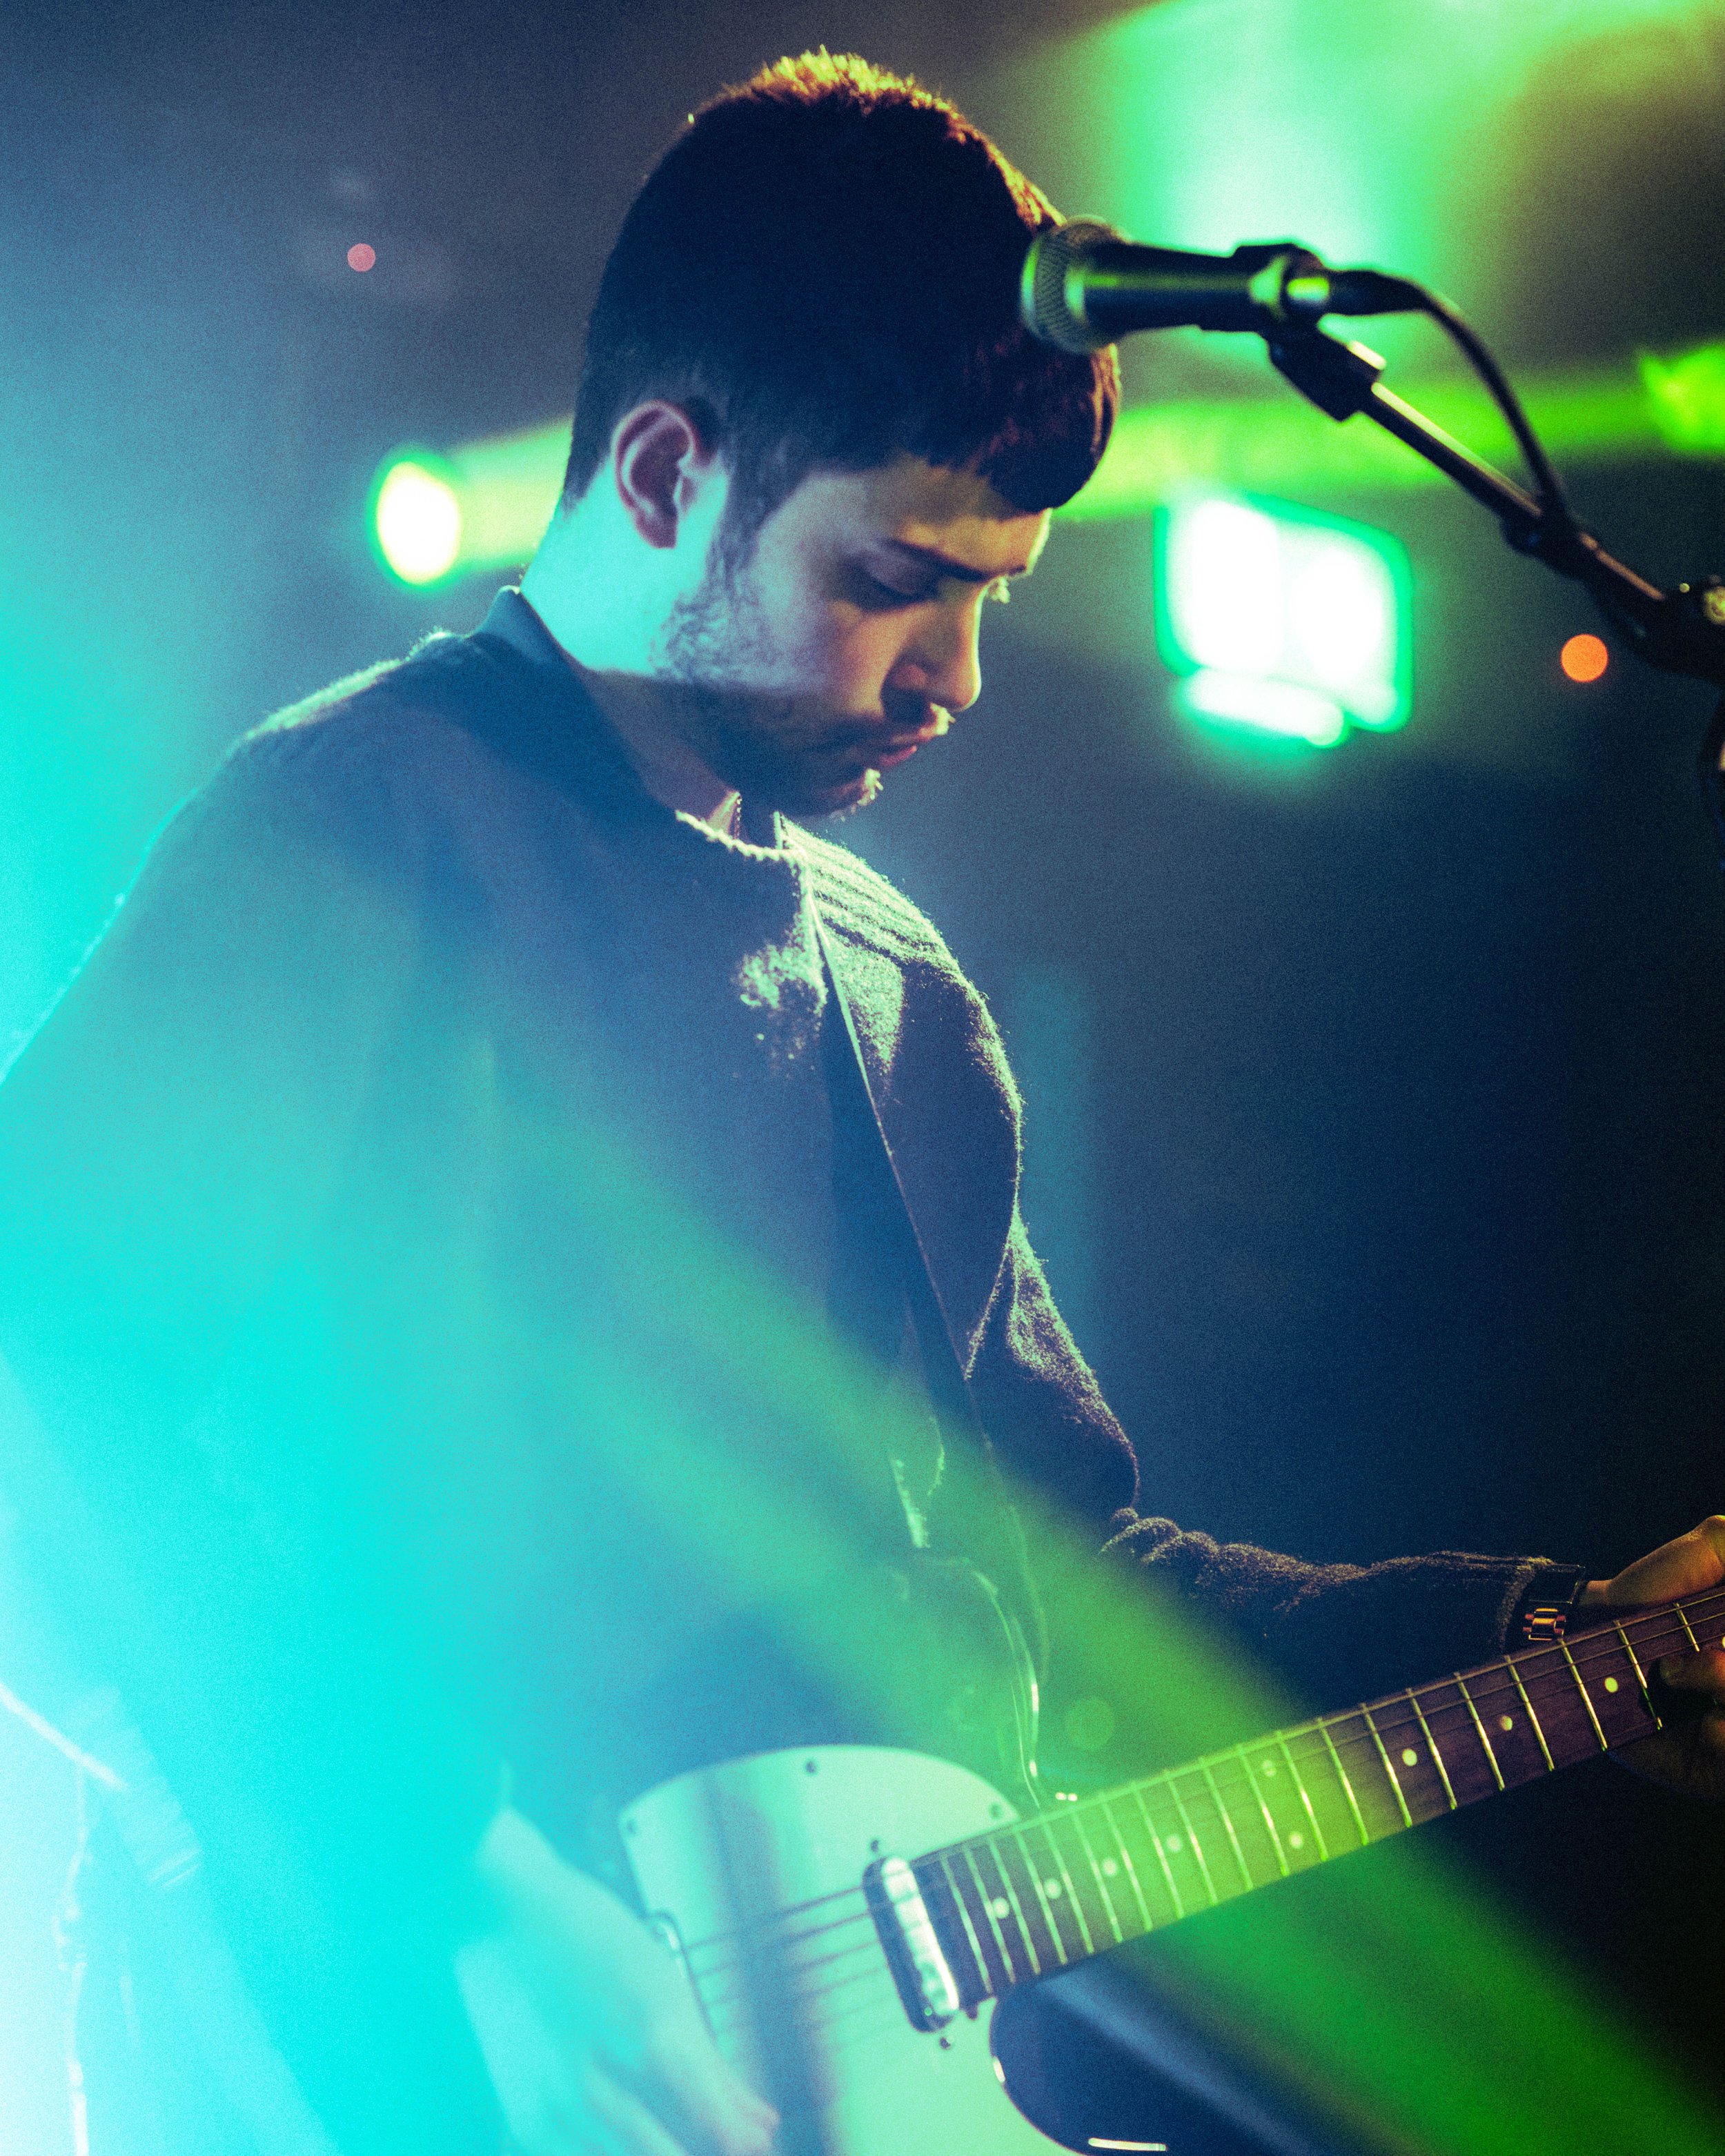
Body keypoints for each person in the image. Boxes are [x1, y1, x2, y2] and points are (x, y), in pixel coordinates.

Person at [0, 50, 1721, 2156]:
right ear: (660, 474)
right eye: (898, 582)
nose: (958, 678)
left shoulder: (898, 1000)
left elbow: (1060, 1599)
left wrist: (1540, 1639)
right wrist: (466, 1886)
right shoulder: (360, 825)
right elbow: (41, 1409)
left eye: (993, 595)